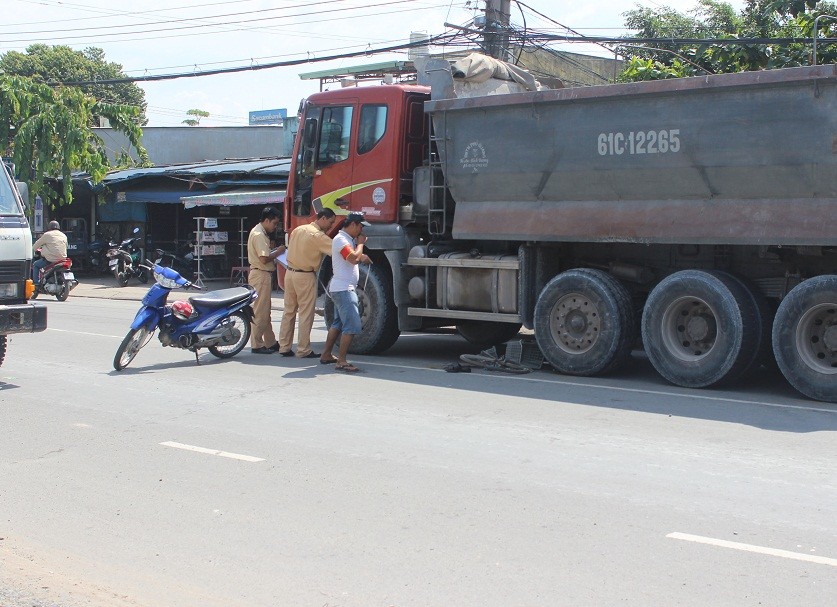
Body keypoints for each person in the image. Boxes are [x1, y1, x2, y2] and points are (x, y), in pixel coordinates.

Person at [277, 208, 336, 358]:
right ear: (322, 218)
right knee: (305, 313)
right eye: (330, 222)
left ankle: (284, 346)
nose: (331, 226)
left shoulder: (298, 229)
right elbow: (338, 249)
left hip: (289, 273)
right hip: (305, 276)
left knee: (288, 312)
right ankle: (303, 349)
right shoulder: (318, 236)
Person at [320, 212, 372, 371]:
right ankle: (341, 361)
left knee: (338, 323)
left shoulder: (345, 239)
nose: (361, 231)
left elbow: (352, 257)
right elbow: (352, 258)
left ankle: (326, 354)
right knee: (352, 324)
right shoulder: (341, 239)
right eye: (361, 227)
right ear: (353, 224)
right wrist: (361, 244)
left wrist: (360, 253)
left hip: (341, 287)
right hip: (343, 288)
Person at [247, 207, 285, 354]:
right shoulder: (259, 235)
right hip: (261, 274)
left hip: (262, 274)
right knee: (260, 311)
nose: (275, 227)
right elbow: (263, 259)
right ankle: (256, 344)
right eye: (274, 223)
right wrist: (278, 252)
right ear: (267, 220)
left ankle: (270, 342)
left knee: (265, 310)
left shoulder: (259, 232)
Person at [32, 220, 68, 285]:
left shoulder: (47, 235)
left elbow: (36, 245)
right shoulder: (63, 235)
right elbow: (66, 246)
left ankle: (36, 283)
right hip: (62, 260)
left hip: (50, 260)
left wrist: (32, 251)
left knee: (36, 265)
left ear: (49, 227)